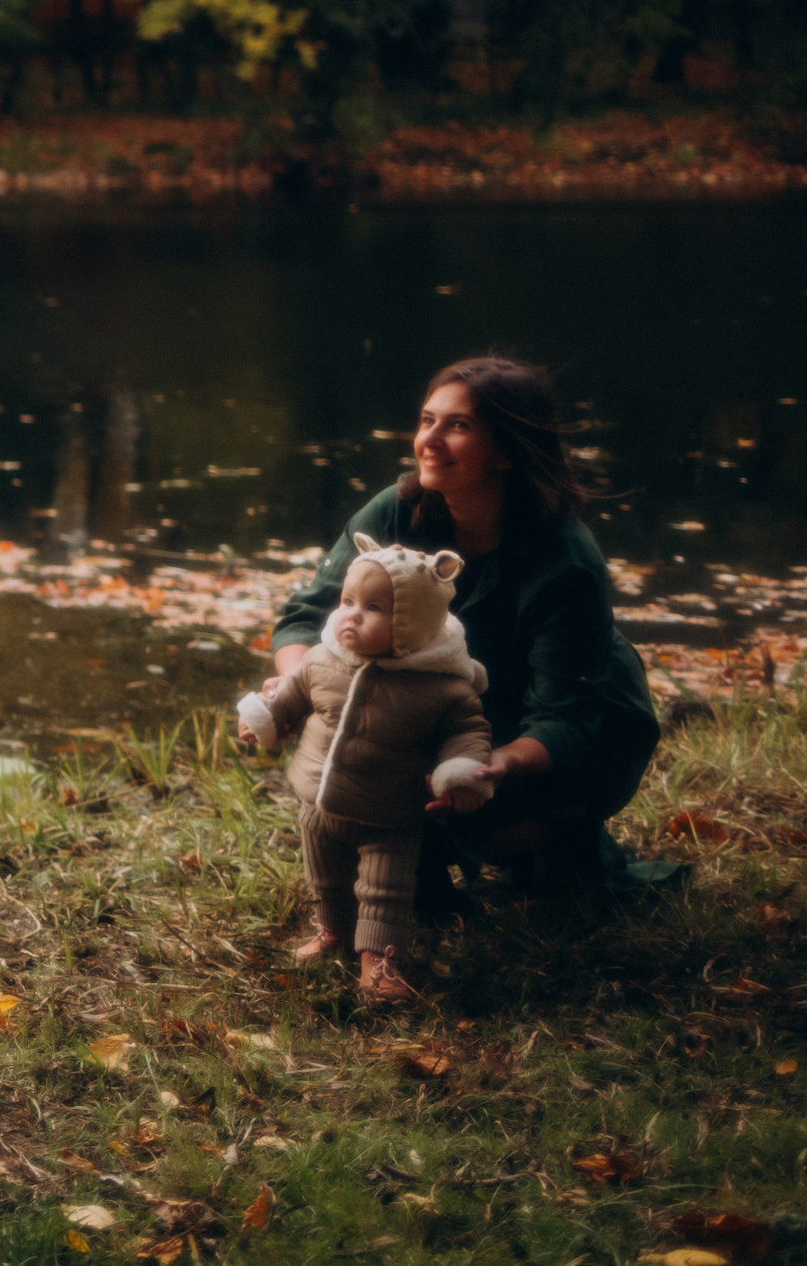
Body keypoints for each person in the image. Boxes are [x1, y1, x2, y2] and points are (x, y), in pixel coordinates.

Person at [265, 357, 660, 911]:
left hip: (573, 732)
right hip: (444, 708)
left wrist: (495, 765)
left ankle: (553, 834)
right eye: (428, 420)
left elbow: (566, 718)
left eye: (458, 426)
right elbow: (305, 618)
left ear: (506, 451)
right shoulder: (396, 512)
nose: (430, 440)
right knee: (375, 827)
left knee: (539, 867)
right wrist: (293, 689)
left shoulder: (565, 559)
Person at [237, 535, 496, 1003]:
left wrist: (460, 771)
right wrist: (264, 716)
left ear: (411, 623)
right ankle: (333, 928)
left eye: (373, 608)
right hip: (317, 800)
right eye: (347, 601)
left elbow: (468, 731)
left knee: (385, 888)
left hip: (391, 813)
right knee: (326, 875)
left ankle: (379, 961)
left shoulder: (443, 688)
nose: (350, 615)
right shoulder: (323, 660)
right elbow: (290, 695)